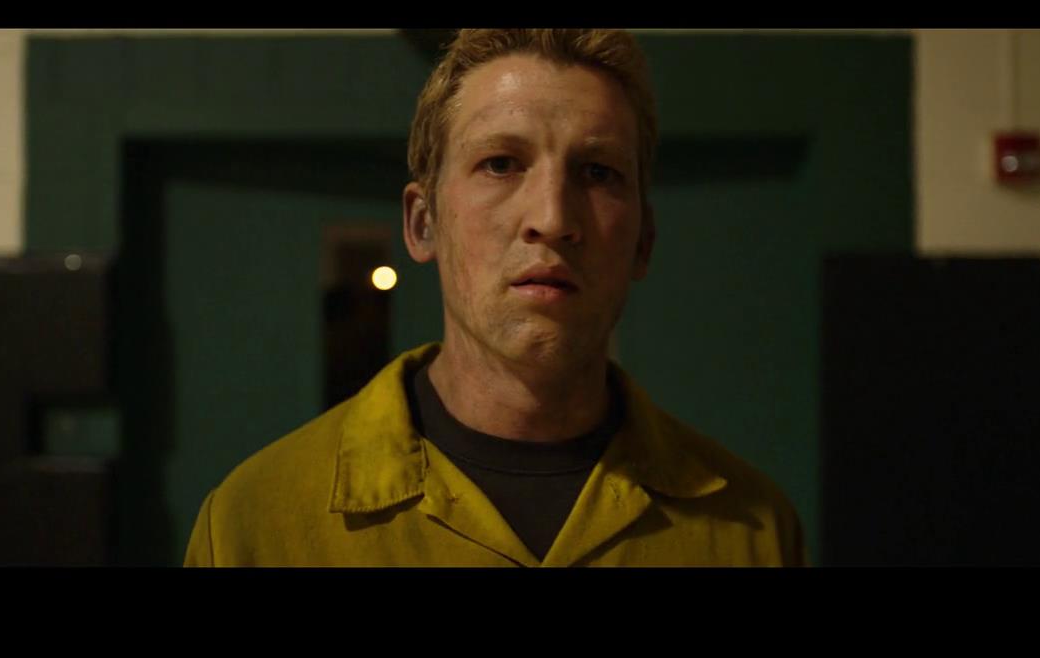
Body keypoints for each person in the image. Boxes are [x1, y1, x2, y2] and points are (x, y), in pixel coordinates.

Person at [184, 29, 807, 567]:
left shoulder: (751, 532)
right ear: (423, 223)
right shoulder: (255, 523)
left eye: (598, 172)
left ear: (642, 242)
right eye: (502, 164)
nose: (552, 218)